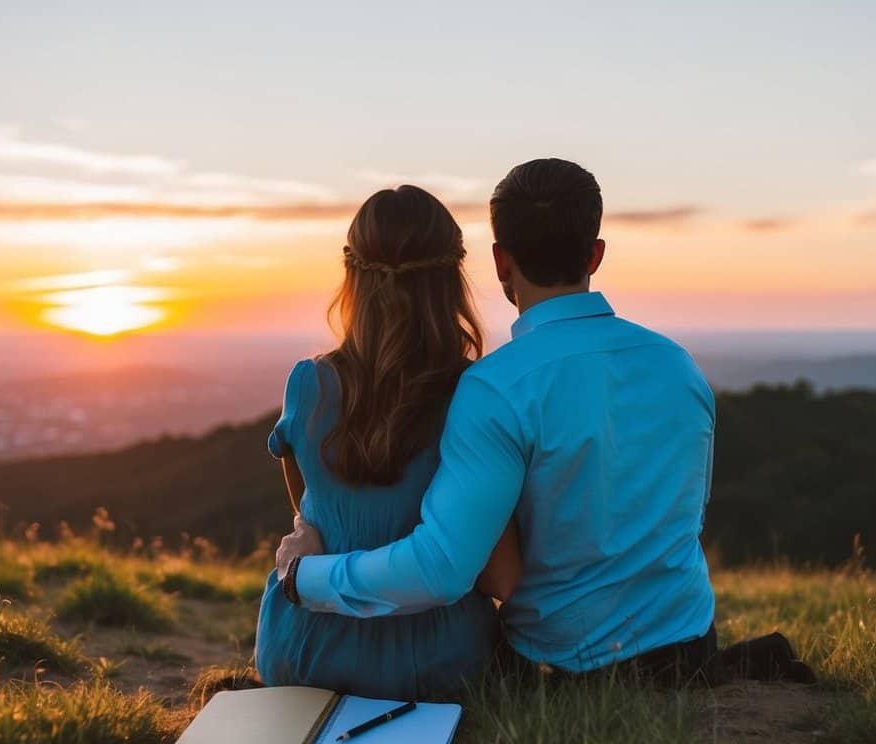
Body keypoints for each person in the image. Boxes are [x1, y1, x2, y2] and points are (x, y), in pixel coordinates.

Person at [276, 158, 718, 681]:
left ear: (501, 261)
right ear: (595, 255)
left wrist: (303, 577)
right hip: (690, 647)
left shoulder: (497, 387)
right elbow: (689, 512)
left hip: (565, 666)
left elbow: (441, 568)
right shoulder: (677, 365)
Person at [254, 185, 521, 699]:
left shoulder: (306, 385)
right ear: (452, 282)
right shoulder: (476, 396)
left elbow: (310, 515)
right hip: (437, 665)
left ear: (352, 277)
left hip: (300, 649)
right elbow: (497, 576)